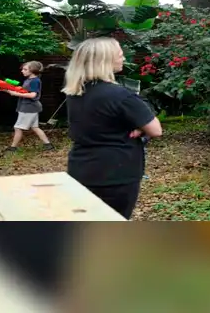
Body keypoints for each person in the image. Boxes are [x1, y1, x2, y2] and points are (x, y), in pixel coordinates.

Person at [63, 38, 163, 219]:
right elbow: (155, 129)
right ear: (105, 60)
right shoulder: (120, 95)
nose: (123, 58)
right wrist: (141, 127)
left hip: (81, 169)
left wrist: (139, 126)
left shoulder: (75, 92)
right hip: (116, 174)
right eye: (120, 54)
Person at [3, 61, 55, 153]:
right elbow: (25, 92)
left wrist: (15, 93)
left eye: (25, 69)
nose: (22, 71)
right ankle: (48, 145)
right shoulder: (29, 80)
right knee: (35, 127)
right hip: (30, 107)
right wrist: (9, 90)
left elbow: (32, 95)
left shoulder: (35, 81)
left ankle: (13, 148)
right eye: (23, 69)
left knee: (18, 127)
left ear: (33, 70)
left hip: (28, 108)